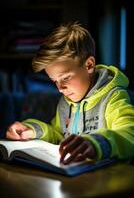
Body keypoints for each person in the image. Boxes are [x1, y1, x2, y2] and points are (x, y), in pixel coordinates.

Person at [6, 22, 134, 165]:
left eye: (65, 78)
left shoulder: (113, 97)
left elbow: (129, 134)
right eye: (55, 81)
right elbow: (59, 135)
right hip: (74, 178)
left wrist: (96, 144)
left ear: (89, 65)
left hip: (111, 179)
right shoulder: (65, 101)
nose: (60, 88)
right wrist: (32, 130)